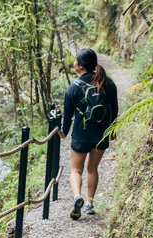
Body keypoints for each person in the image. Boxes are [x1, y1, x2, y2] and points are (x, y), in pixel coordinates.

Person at [58, 47, 118, 220]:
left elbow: (67, 116)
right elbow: (114, 109)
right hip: (101, 134)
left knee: (76, 170)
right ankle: (90, 204)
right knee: (92, 169)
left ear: (80, 65)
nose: (74, 63)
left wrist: (64, 133)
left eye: (76, 60)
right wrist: (113, 129)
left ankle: (77, 197)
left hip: (81, 134)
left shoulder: (73, 88)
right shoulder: (108, 82)